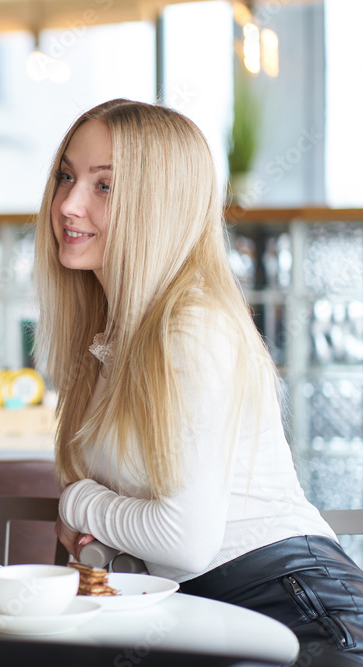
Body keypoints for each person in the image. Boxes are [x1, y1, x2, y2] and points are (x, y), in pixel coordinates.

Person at [42, 98, 363, 658]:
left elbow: (182, 542)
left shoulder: (191, 330)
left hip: (298, 614)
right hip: (215, 614)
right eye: (67, 177)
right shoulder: (113, 341)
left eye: (104, 186)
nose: (68, 204)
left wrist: (75, 502)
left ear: (159, 204)